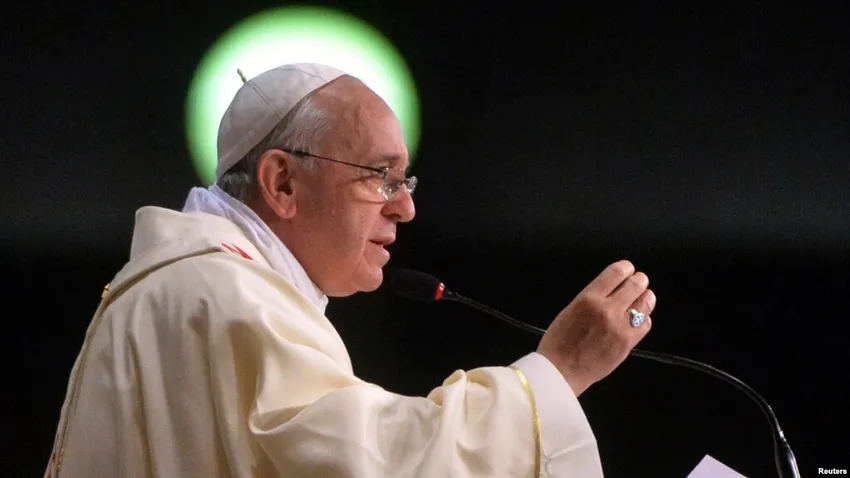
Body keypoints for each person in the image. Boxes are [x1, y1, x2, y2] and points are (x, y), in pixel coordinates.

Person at [44, 63, 655, 477]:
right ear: (283, 183)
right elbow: (372, 464)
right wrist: (559, 373)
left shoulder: (188, 283)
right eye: (380, 176)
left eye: (406, 181)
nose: (405, 207)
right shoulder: (224, 293)